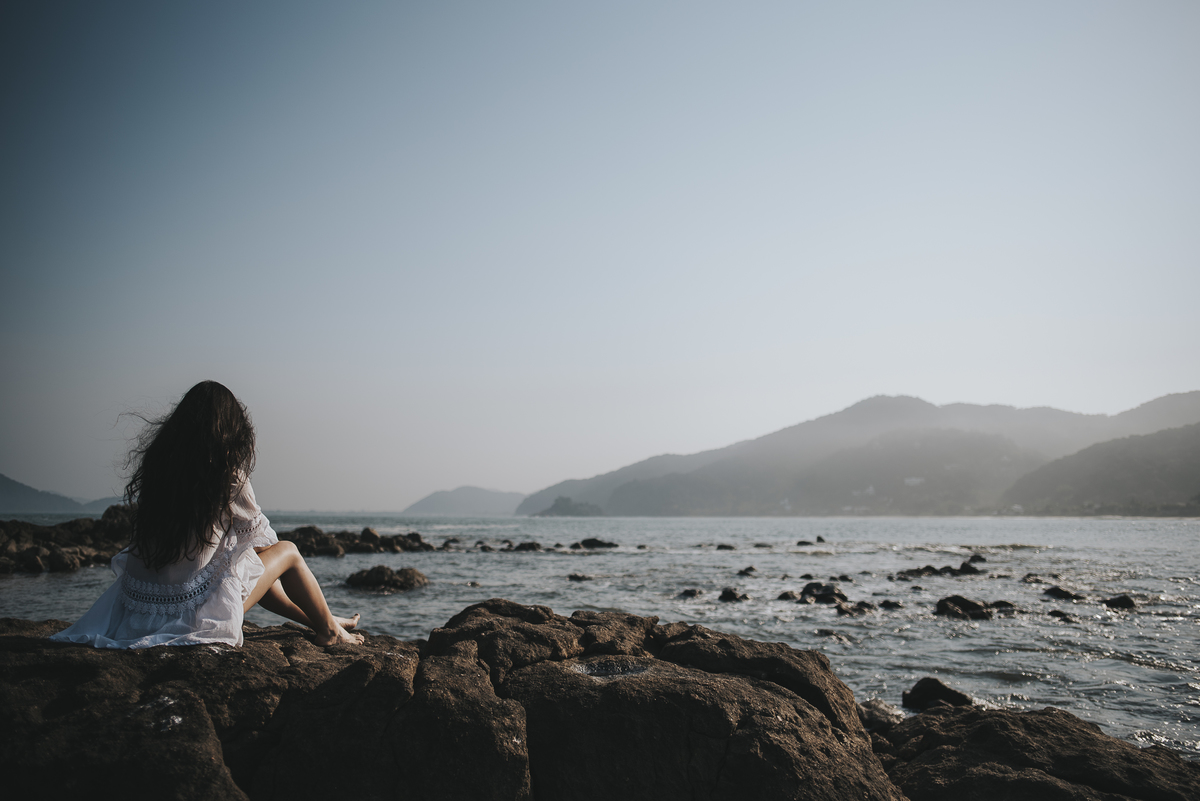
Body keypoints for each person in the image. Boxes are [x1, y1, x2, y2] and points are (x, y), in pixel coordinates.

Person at [50, 381, 363, 648]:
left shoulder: (159, 469)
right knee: (288, 552)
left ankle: (323, 620)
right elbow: (263, 548)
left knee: (245, 565)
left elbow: (251, 569)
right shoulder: (226, 473)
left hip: (138, 612)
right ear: (231, 431)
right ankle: (329, 631)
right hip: (190, 616)